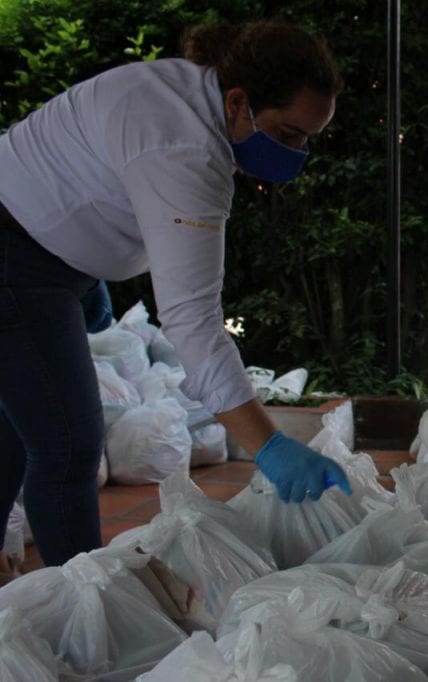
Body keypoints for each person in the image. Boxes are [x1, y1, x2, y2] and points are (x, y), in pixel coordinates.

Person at [0, 21, 352, 575]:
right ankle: (90, 611)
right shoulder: (183, 145)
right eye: (287, 135)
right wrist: (267, 445)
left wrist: (88, 271)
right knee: (67, 443)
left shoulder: (187, 98)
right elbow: (192, 319)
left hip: (40, 255)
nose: (297, 153)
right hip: (16, 264)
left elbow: (88, 180)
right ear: (239, 103)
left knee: (21, 434)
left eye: (308, 139)